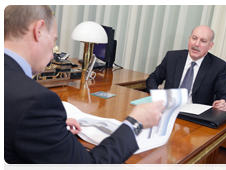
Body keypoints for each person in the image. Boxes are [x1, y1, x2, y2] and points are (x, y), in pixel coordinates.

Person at [4, 5, 165, 170]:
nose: (53, 54)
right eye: (54, 41)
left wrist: (46, 126)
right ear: (38, 30)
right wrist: (135, 123)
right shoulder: (36, 102)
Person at [146, 25, 226, 112]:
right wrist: (158, 97)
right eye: (194, 38)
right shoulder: (172, 57)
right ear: (189, 39)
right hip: (168, 110)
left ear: (210, 46)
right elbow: (153, 79)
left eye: (203, 41)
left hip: (196, 117)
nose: (196, 44)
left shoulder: (218, 66)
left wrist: (223, 104)